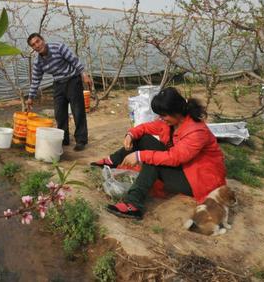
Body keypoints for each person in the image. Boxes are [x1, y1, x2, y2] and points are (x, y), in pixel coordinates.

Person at [91, 87, 226, 219]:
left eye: (164, 115)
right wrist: (130, 135)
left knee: (153, 161)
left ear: (177, 111)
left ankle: (133, 204)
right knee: (143, 138)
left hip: (197, 180)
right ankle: (113, 160)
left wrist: (139, 156)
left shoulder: (197, 131)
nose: (161, 118)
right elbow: (145, 127)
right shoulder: (170, 122)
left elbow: (175, 158)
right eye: (160, 115)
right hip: (184, 168)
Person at [26, 33, 92, 151]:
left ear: (43, 40)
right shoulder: (38, 62)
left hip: (73, 80)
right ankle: (63, 139)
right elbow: (36, 79)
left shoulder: (58, 47)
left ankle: (81, 140)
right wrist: (30, 97)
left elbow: (74, 60)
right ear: (33, 48)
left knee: (78, 111)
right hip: (58, 83)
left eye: (38, 41)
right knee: (59, 114)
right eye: (33, 45)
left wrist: (84, 74)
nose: (37, 45)